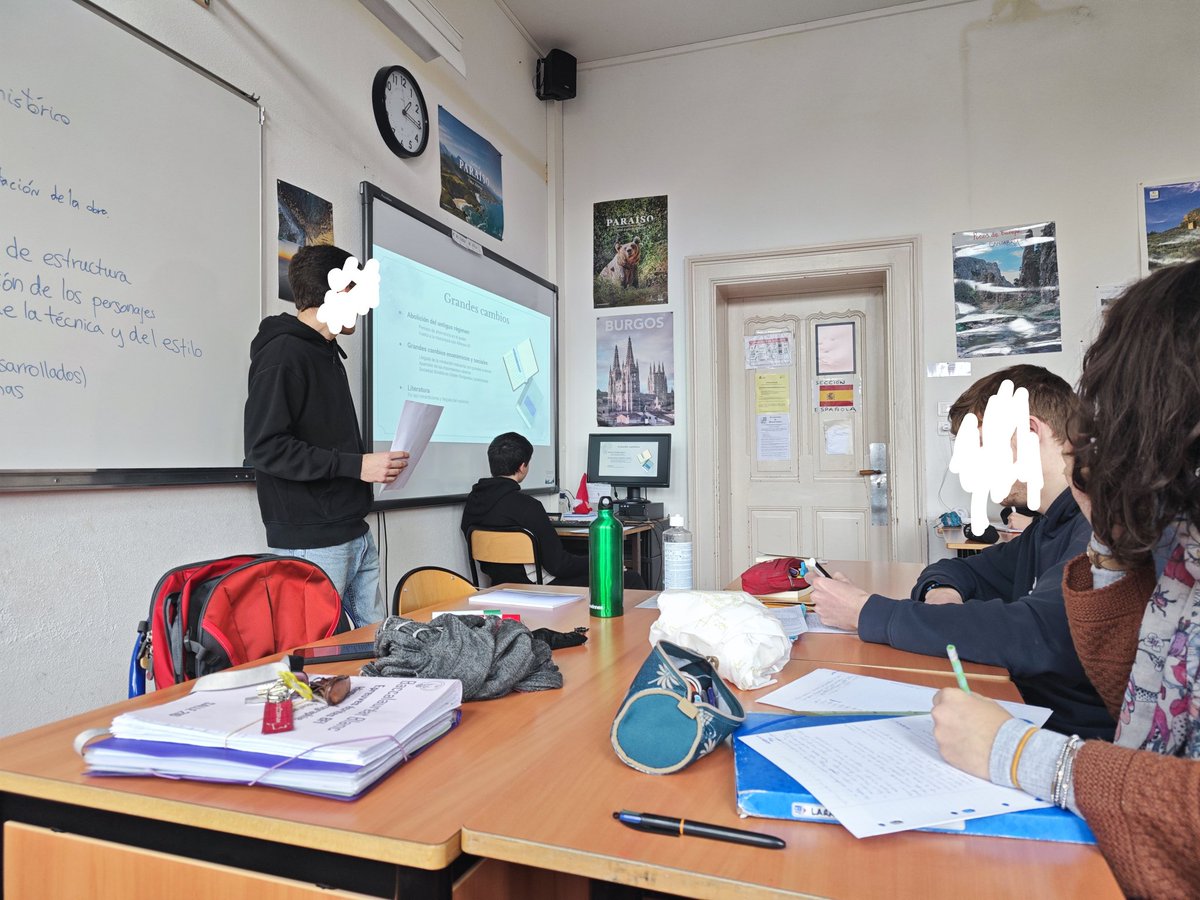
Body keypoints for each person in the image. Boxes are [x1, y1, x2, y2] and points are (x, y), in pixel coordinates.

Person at [932, 259, 1200, 897]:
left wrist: (1019, 755)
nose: (1098, 430)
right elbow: (1133, 700)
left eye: (1116, 407)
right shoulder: (1181, 549)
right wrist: (1110, 535)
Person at [811, 365, 1112, 738]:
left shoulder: (1096, 525)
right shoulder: (1047, 525)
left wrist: (865, 611)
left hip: (1068, 745)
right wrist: (941, 592)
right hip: (1023, 713)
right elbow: (962, 570)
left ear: (1029, 433)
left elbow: (1033, 633)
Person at [244, 243, 408, 627]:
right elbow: (265, 448)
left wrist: (366, 468)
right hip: (313, 540)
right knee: (321, 660)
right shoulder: (282, 355)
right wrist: (357, 466)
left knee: (378, 646)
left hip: (353, 529)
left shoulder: (328, 352)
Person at [462, 432, 644, 588]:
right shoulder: (528, 506)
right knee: (631, 579)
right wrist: (604, 561)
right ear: (522, 467)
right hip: (537, 587)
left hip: (498, 586)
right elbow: (559, 566)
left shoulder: (473, 502)